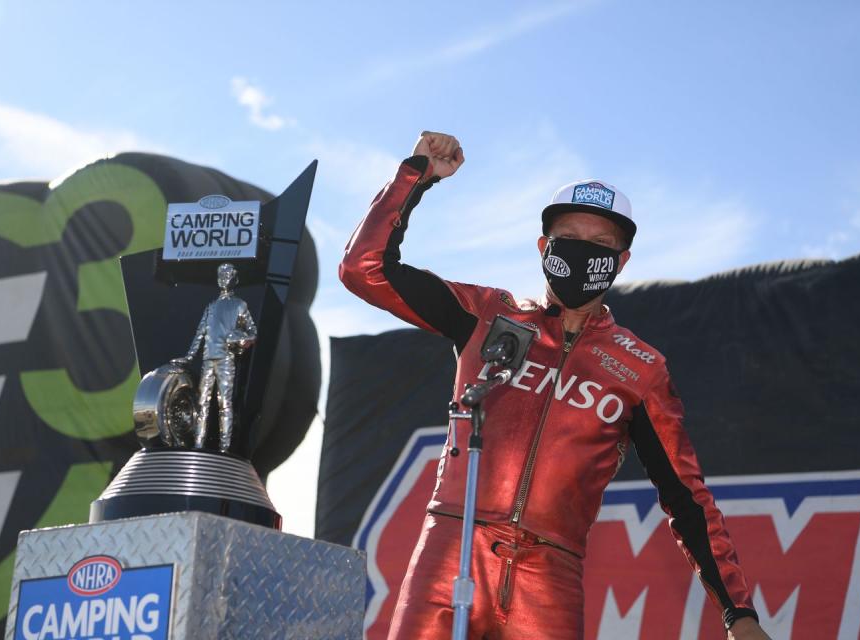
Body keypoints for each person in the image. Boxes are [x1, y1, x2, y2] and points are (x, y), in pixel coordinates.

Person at [339, 132, 771, 640]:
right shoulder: (486, 314)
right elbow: (363, 270)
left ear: (623, 261)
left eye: (601, 245)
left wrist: (737, 612)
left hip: (551, 576)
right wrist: (416, 175)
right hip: (451, 549)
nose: (584, 253)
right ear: (545, 247)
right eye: (570, 238)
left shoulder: (641, 369)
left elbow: (686, 497)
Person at [173, 262, 256, 452]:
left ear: (234, 279)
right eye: (221, 275)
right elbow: (200, 334)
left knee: (225, 404)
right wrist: (188, 357)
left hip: (226, 360)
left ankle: (225, 448)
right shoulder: (211, 306)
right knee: (202, 403)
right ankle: (198, 444)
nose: (223, 278)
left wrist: (239, 337)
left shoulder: (239, 305)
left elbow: (253, 332)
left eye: (227, 275)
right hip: (208, 360)